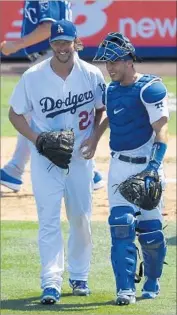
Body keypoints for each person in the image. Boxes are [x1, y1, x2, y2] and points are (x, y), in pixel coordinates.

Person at [8, 19, 106, 304]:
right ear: (51, 45)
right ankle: (50, 281)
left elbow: (102, 109)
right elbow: (15, 114)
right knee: (48, 220)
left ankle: (79, 276)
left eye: (67, 42)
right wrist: (37, 140)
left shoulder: (91, 74)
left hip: (79, 158)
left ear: (77, 42)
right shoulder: (33, 76)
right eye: (57, 43)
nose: (62, 48)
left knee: (80, 218)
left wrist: (94, 139)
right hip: (44, 159)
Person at [92, 32, 169, 305]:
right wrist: (93, 138)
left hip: (147, 167)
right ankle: (124, 289)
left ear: (129, 61)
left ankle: (152, 279)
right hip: (119, 166)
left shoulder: (150, 88)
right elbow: (110, 116)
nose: (109, 68)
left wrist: (153, 168)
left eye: (114, 62)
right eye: (106, 63)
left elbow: (162, 131)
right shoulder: (109, 89)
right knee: (121, 225)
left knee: (150, 230)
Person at [0, 0, 104, 192]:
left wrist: (16, 45)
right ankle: (14, 170)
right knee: (34, 114)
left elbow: (48, 27)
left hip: (53, 55)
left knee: (40, 113)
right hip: (51, 56)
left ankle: (91, 172)